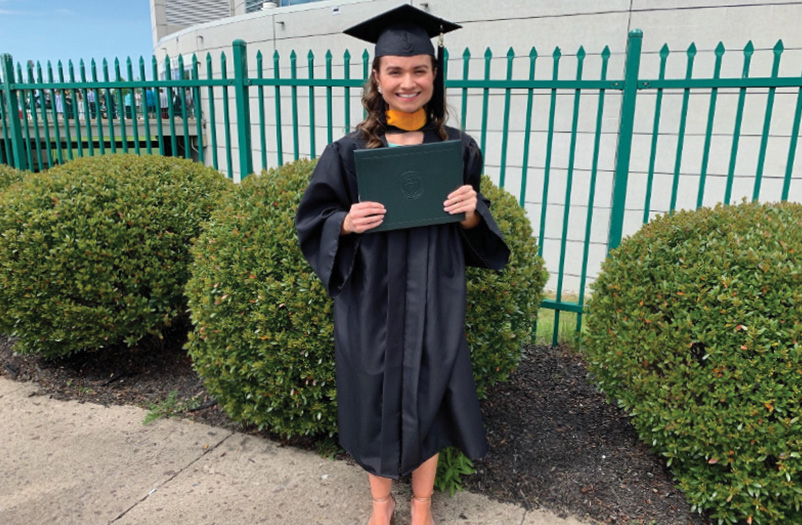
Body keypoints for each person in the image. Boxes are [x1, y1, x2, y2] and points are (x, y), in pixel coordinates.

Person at [295, 6, 510, 525]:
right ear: (377, 76)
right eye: (395, 70)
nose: (407, 82)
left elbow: (478, 225)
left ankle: (421, 508)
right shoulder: (347, 152)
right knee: (372, 397)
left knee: (430, 399)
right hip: (370, 297)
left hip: (436, 293)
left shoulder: (458, 149)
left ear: (435, 75)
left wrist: (469, 216)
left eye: (419, 70)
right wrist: (344, 222)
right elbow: (313, 219)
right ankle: (379, 505)